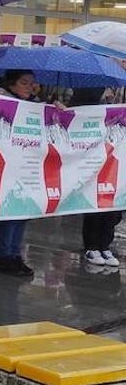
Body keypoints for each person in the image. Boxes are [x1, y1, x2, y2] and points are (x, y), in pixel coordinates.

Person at [0, 69, 39, 277]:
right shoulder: (1, 98)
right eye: (24, 82)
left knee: (22, 213)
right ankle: (4, 256)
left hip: (26, 166)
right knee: (10, 213)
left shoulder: (35, 104)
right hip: (7, 165)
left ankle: (15, 253)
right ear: (11, 85)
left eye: (31, 83)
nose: (30, 87)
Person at [71, 87, 122, 267]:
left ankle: (105, 245)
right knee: (95, 202)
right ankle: (92, 246)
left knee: (114, 205)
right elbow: (78, 112)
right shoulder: (94, 88)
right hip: (96, 153)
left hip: (119, 156)